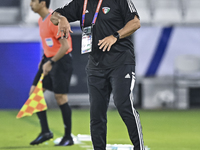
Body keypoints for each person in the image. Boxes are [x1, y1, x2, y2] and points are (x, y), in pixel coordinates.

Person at [51, 0, 144, 150]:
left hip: (121, 62)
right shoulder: (81, 3)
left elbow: (135, 23)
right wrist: (61, 18)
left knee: (123, 104)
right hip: (96, 66)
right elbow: (54, 16)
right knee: (96, 114)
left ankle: (139, 147)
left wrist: (115, 36)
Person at [29, 0, 74, 146]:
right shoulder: (40, 20)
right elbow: (49, 44)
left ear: (42, 3)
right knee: (34, 93)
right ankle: (45, 131)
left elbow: (65, 46)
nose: (30, 4)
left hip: (61, 61)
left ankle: (68, 137)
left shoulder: (53, 20)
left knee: (61, 98)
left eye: (33, 1)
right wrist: (44, 60)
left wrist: (51, 62)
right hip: (48, 60)